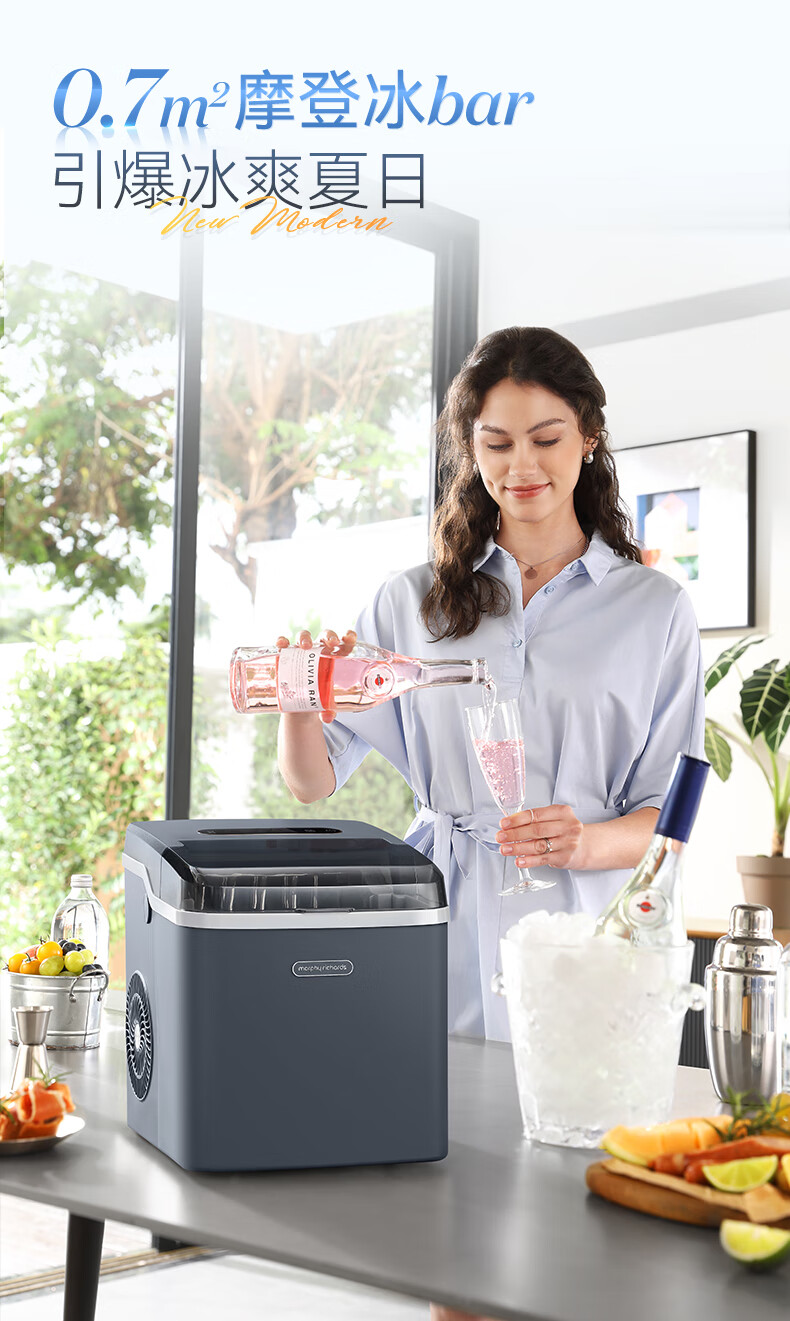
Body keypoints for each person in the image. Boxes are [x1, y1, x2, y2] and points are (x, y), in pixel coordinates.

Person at [277, 325, 705, 1045]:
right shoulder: (412, 602)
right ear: (471, 450)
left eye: (546, 439)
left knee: (573, 1106)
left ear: (589, 437)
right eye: (497, 444)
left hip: (592, 932)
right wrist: (297, 702)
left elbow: (669, 820)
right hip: (436, 918)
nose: (521, 466)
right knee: (435, 1108)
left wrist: (582, 843)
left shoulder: (655, 609)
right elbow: (312, 780)